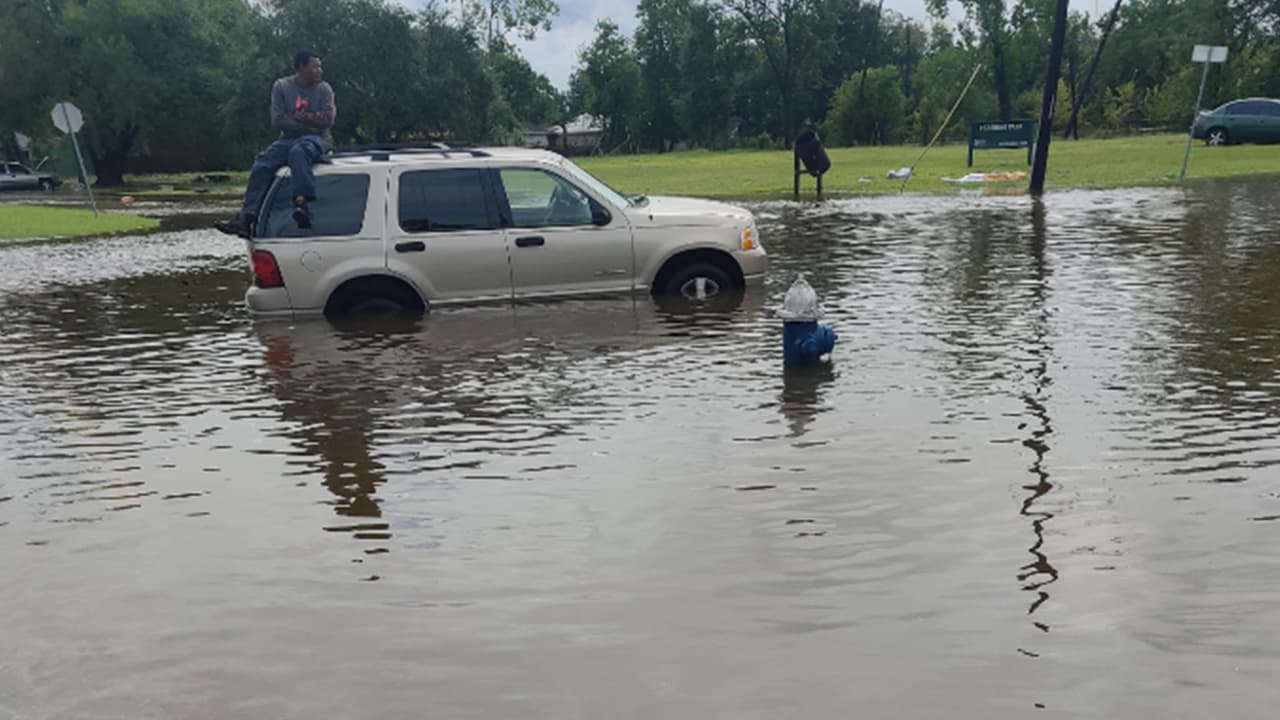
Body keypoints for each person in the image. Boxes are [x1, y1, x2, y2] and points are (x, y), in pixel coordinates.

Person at [216, 51, 336, 238]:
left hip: (318, 139)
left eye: (319, 66)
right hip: (287, 138)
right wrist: (309, 124)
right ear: (301, 68)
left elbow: (328, 120)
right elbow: (278, 120)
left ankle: (301, 203)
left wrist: (299, 118)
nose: (319, 70)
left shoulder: (324, 89)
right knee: (262, 163)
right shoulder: (281, 87)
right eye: (315, 66)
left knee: (299, 152)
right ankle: (247, 218)